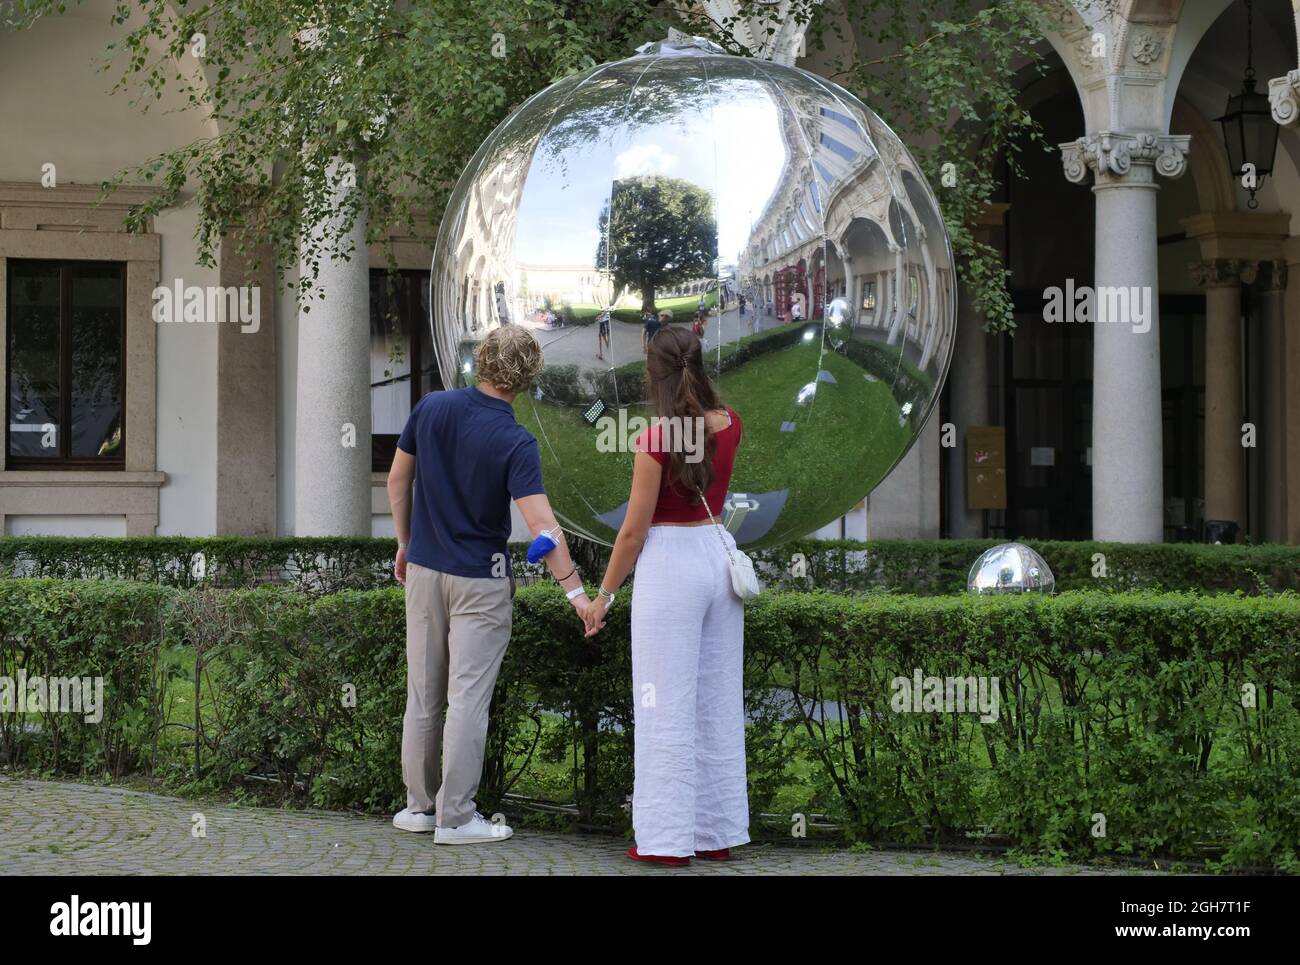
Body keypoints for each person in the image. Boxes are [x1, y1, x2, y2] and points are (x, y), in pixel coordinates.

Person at [387, 326, 591, 844]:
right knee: (467, 700)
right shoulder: (515, 440)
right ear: (528, 378)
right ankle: (456, 818)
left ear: (481, 361)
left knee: (424, 695)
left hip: (425, 571)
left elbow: (397, 480)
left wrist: (405, 543)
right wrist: (576, 593)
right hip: (481, 580)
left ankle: (419, 809)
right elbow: (544, 530)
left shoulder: (431, 407)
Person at [583, 324, 749, 867]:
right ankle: (715, 832)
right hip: (716, 561)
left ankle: (665, 840)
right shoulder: (730, 424)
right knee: (716, 701)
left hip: (670, 567)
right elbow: (716, 498)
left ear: (653, 373)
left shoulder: (654, 440)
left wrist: (601, 598)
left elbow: (632, 532)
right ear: (699, 364)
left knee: (662, 703)